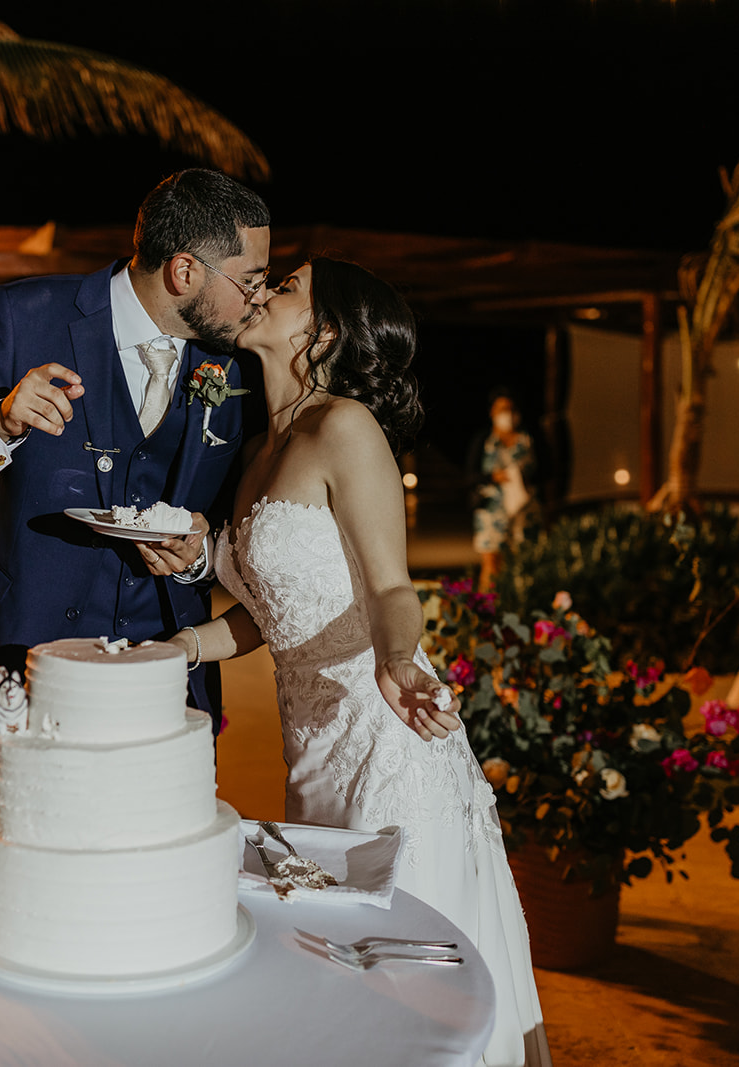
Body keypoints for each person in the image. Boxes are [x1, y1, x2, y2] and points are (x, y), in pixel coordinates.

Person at [169, 258, 549, 1066]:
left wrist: (400, 657)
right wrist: (182, 645)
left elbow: (389, 588)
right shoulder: (260, 446)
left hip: (386, 744)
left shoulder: (345, 427)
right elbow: (280, 615)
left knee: (407, 997)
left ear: (326, 331)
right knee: (340, 982)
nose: (266, 290)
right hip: (312, 754)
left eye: (290, 286)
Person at [0, 169, 270, 793]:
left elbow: (237, 521)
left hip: (168, 666)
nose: (258, 299)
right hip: (27, 650)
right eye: (250, 281)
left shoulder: (234, 360)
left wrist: (194, 557)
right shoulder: (24, 315)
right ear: (184, 273)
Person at [466, 388, 537, 590]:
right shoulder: (484, 441)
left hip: (523, 512)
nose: (507, 414)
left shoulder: (528, 439)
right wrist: (492, 477)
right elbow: (469, 476)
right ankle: (486, 610)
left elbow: (546, 471)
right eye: (502, 409)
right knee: (491, 563)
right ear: (492, 413)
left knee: (521, 563)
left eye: (511, 409)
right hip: (492, 511)